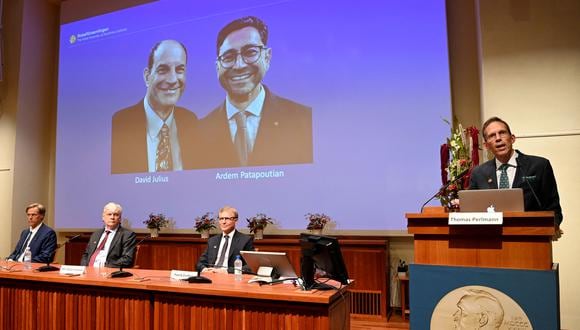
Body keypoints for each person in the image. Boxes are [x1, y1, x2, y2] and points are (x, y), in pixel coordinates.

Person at [199, 16, 313, 168]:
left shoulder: (304, 120)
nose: (239, 65)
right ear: (217, 67)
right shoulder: (199, 131)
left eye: (250, 52)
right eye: (228, 57)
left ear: (267, 57)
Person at [111, 39, 199, 174]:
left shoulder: (191, 121)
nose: (172, 80)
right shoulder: (120, 123)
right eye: (163, 70)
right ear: (147, 77)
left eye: (179, 70)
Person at [469, 117, 563, 225]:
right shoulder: (478, 173)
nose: (498, 138)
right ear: (486, 146)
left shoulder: (539, 166)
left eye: (502, 133)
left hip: (531, 236)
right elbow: (473, 212)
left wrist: (552, 227)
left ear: (512, 138)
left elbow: (554, 209)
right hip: (492, 238)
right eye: (492, 136)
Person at [196, 206, 254, 273]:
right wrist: (205, 270)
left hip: (230, 278)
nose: (223, 222)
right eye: (221, 219)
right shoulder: (212, 241)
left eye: (227, 219)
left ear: (235, 221)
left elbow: (250, 266)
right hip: (211, 276)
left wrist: (226, 271)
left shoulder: (245, 240)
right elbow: (200, 263)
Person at [80, 202, 137, 268]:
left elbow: (126, 259)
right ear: (103, 217)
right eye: (109, 214)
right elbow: (86, 255)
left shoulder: (127, 235)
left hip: (108, 272)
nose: (112, 217)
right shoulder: (96, 234)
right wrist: (83, 269)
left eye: (116, 214)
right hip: (88, 272)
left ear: (120, 218)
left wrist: (104, 267)